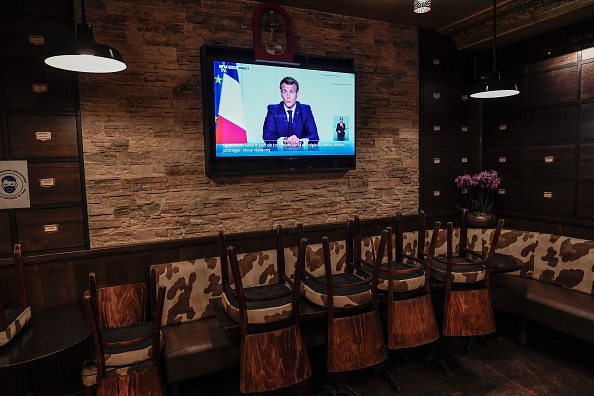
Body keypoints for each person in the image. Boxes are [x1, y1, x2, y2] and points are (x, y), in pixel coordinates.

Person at [262, 76, 319, 147]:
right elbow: (267, 136)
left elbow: (315, 137)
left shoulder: (306, 110)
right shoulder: (273, 110)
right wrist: (285, 141)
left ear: (297, 94)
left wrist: (299, 142)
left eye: (291, 92)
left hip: (301, 155)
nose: (288, 96)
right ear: (281, 94)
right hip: (278, 156)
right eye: (284, 91)